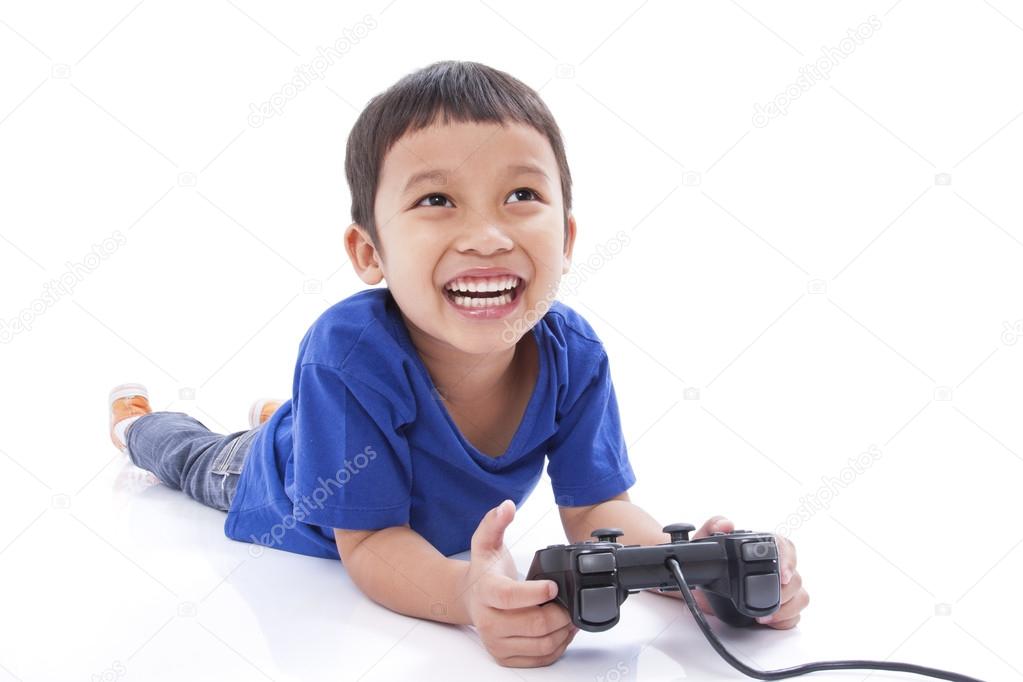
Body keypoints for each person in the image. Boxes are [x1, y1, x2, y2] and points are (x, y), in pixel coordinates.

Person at [109, 60, 808, 668]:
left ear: (565, 238)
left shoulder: (574, 353)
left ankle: (286, 417)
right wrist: (467, 597)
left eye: (521, 196)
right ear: (369, 253)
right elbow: (373, 540)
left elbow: (597, 508)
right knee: (200, 459)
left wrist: (695, 578)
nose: (486, 235)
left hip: (340, 436)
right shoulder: (346, 349)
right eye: (436, 200)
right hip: (278, 486)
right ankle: (139, 424)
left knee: (303, 422)